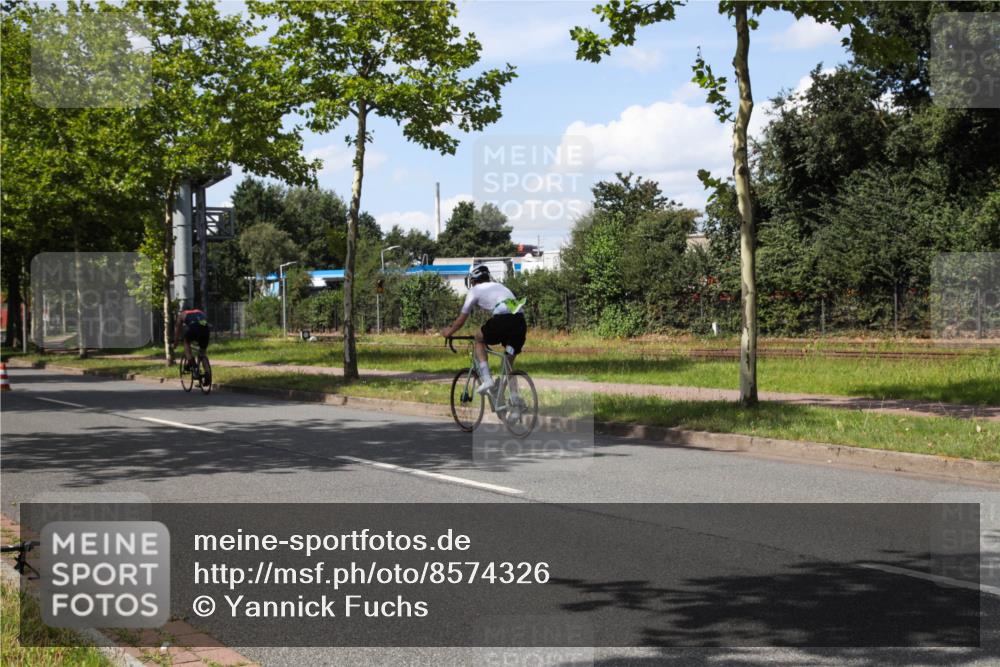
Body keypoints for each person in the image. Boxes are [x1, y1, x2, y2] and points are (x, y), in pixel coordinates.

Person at [440, 265, 526, 394]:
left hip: (503, 319)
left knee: (478, 338)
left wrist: (449, 332)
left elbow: (461, 320)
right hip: (520, 321)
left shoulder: (474, 290)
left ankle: (487, 380)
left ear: (473, 281)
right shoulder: (500, 286)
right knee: (508, 367)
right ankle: (515, 402)